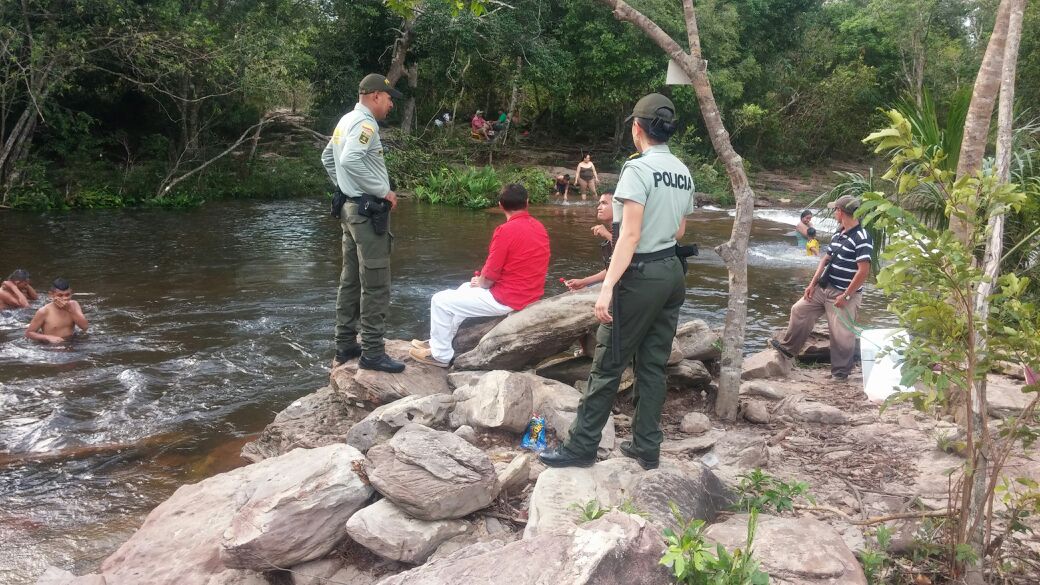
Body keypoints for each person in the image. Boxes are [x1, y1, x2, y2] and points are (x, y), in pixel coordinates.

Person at [540, 93, 694, 471]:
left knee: (607, 365)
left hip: (640, 276)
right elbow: (679, 230)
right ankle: (646, 447)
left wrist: (607, 287)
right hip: (672, 272)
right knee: (653, 365)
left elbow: (629, 235)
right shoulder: (682, 171)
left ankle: (581, 447)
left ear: (637, 128)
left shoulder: (637, 170)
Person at [409, 184, 550, 368]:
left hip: (508, 298)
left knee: (439, 300)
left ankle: (440, 356)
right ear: (527, 203)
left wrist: (482, 282)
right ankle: (439, 341)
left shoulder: (505, 231)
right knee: (464, 288)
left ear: (500, 205)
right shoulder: (539, 227)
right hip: (529, 293)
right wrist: (481, 282)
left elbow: (490, 275)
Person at [321, 73, 406, 373]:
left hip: (349, 210)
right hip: (366, 213)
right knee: (376, 282)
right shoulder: (366, 124)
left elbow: (328, 158)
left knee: (351, 280)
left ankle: (345, 345)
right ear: (375, 96)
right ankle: (372, 352)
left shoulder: (345, 120)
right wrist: (383, 191)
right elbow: (350, 160)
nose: (391, 104)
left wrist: (345, 188)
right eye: (389, 98)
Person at [770, 195, 873, 381]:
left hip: (844, 293)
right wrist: (812, 284)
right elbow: (825, 259)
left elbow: (863, 271)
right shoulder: (838, 233)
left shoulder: (862, 237)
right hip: (824, 287)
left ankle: (840, 375)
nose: (834, 213)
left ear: (841, 212)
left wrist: (846, 296)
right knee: (799, 310)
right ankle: (789, 349)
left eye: (835, 210)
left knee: (842, 335)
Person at [564, 193, 615, 290]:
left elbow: (630, 255)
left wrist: (607, 235)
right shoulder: (614, 231)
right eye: (599, 203)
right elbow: (613, 268)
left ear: (618, 206)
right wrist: (583, 282)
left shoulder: (628, 230)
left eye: (604, 203)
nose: (599, 207)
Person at [25, 278, 88, 343]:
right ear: (51, 295)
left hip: (72, 341)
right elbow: (29, 333)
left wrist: (70, 310)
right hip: (52, 346)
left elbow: (85, 327)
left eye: (67, 295)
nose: (64, 298)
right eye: (60, 295)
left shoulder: (74, 304)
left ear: (71, 293)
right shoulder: (44, 311)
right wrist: (48, 337)